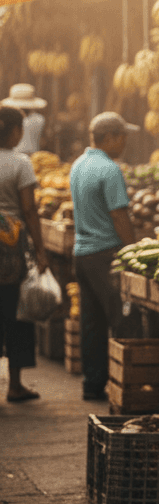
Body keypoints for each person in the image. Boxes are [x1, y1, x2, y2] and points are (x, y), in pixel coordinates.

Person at [69, 112, 137, 401]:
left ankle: (92, 384)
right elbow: (119, 215)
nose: (124, 142)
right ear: (108, 138)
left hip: (82, 255)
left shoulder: (79, 164)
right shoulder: (110, 170)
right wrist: (133, 251)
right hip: (106, 255)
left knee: (92, 322)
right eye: (121, 136)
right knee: (123, 321)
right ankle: (130, 389)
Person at [0, 106, 49, 402]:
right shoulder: (21, 163)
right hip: (11, 247)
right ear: (16, 131)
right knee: (16, 312)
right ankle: (15, 385)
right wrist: (41, 251)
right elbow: (29, 210)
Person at [3, 84, 47, 155]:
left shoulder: (9, 119)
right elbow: (43, 141)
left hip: (12, 154)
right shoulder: (40, 119)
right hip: (34, 154)